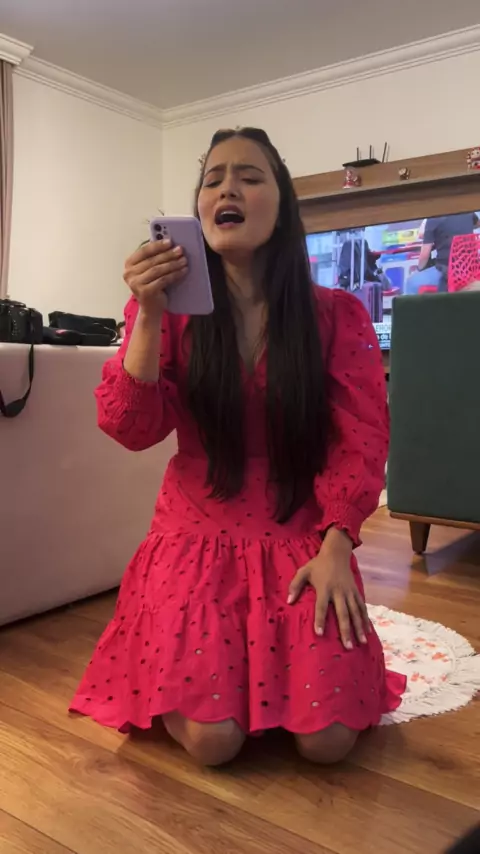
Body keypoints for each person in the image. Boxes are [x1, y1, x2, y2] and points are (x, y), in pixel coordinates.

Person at [70, 127, 405, 766]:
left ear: (282, 205)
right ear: (198, 208)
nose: (228, 189)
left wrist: (338, 546)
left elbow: (361, 440)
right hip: (196, 526)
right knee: (212, 741)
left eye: (250, 177)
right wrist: (148, 312)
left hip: (300, 524)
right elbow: (130, 427)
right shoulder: (167, 314)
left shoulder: (337, 315)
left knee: (328, 742)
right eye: (213, 179)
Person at [405, 213, 477, 295]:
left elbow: (424, 256)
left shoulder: (432, 219)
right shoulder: (466, 211)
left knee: (411, 283)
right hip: (471, 269)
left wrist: (418, 270)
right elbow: (477, 224)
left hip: (447, 271)